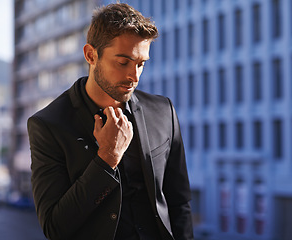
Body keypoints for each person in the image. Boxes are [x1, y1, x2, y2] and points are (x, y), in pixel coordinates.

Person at [27, 3, 193, 240]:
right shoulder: (48, 125)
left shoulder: (163, 111)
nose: (134, 76)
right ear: (91, 55)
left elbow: (179, 202)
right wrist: (107, 158)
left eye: (140, 64)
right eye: (123, 62)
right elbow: (55, 228)